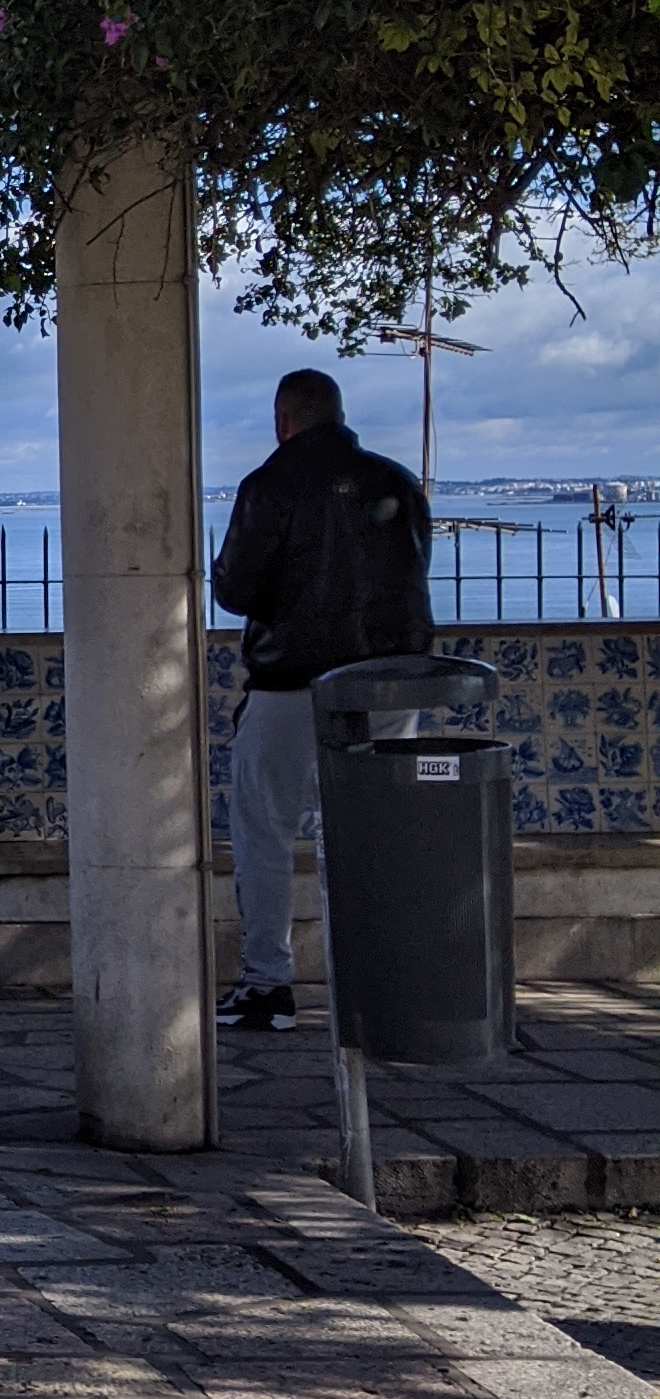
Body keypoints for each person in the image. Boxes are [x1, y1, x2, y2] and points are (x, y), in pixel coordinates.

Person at [208, 367, 434, 1030]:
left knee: (265, 833)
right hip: (386, 685)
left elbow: (236, 590)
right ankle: (374, 988)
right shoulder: (397, 481)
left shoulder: (269, 485)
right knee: (368, 836)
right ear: (338, 415)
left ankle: (267, 985)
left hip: (291, 682)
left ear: (283, 421)